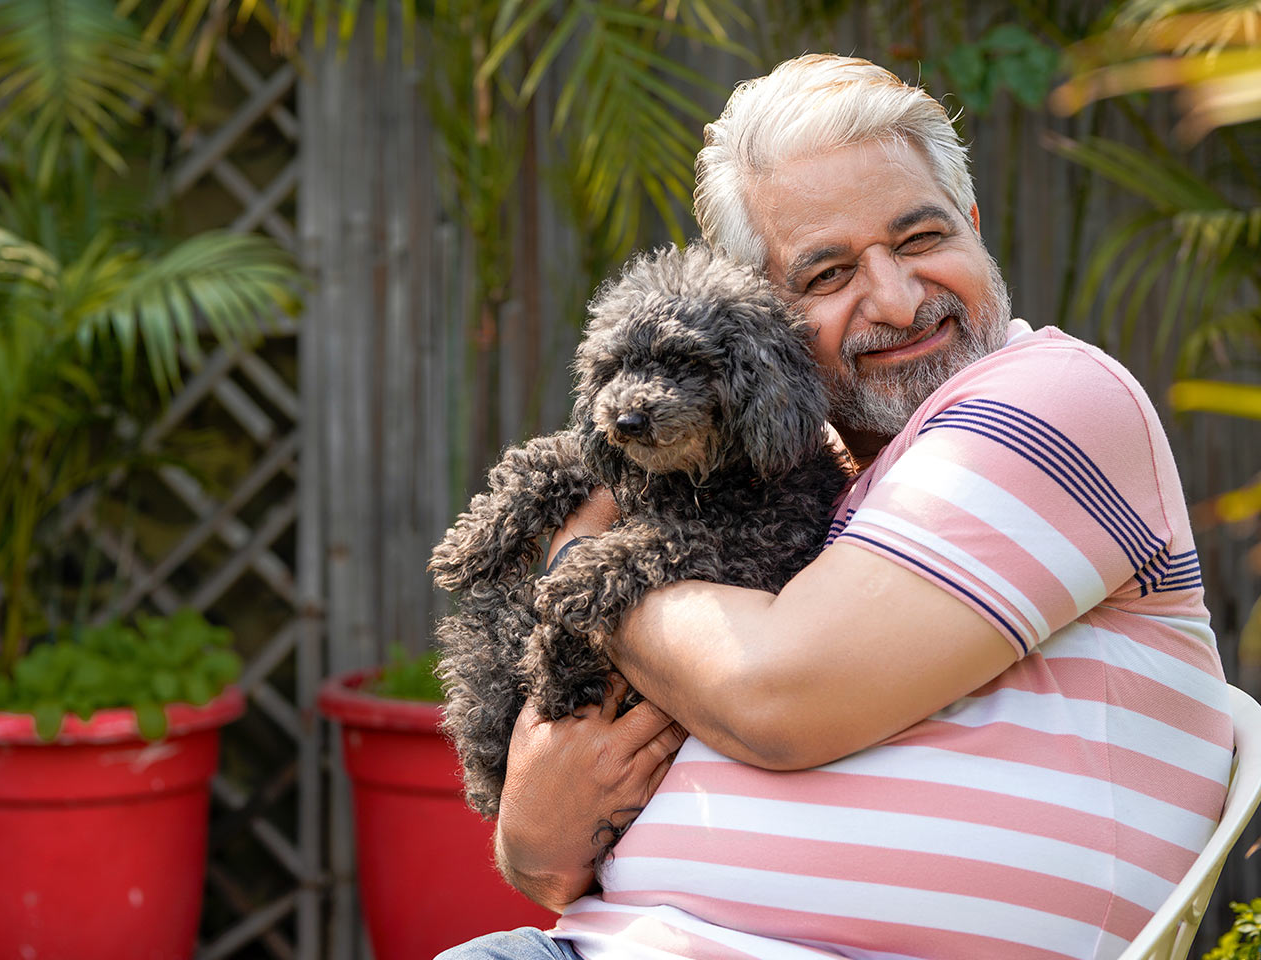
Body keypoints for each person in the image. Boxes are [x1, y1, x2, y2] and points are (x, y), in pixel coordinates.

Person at [440, 54, 1233, 960]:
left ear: (974, 228)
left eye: (924, 237)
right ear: (761, 320)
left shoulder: (1052, 397)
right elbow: (543, 858)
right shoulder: (767, 481)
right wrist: (535, 827)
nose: (897, 297)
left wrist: (572, 564)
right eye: (827, 275)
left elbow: (775, 695)